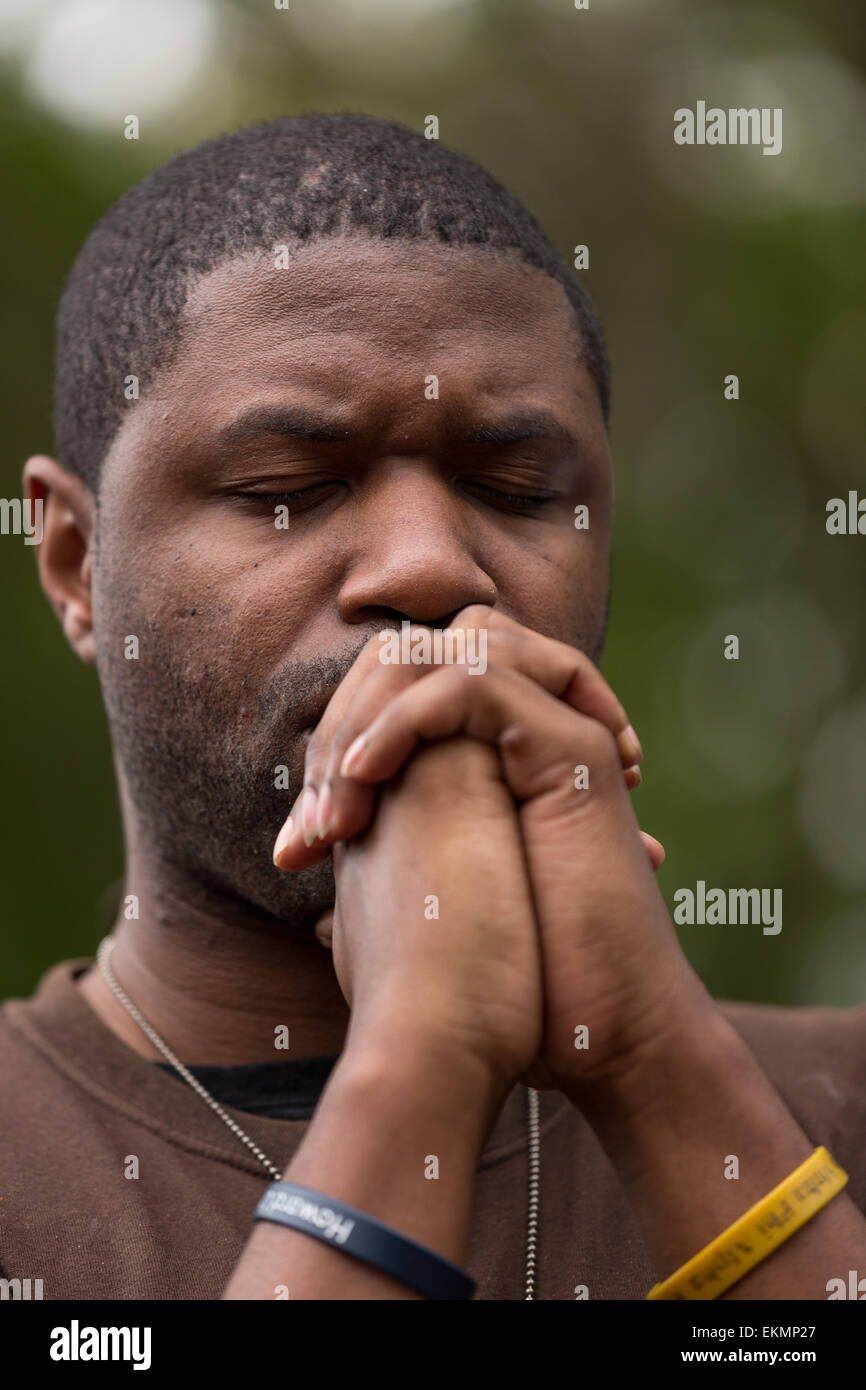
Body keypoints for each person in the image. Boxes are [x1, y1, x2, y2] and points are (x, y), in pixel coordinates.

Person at [2, 112, 864, 1302]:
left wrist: (657, 1066)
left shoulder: (836, 1110)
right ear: (75, 564)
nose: (426, 568)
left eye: (513, 492)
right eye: (287, 490)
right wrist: (422, 1057)